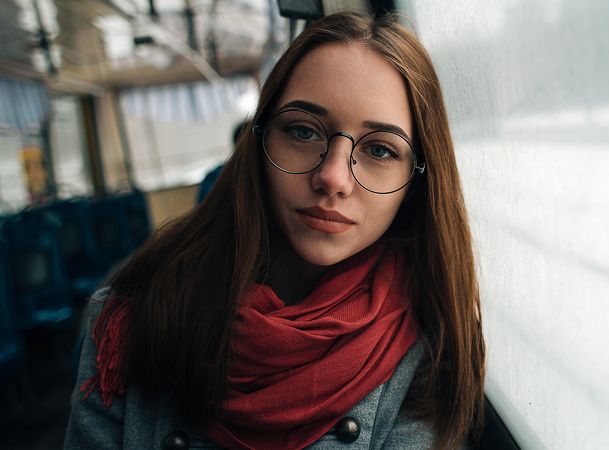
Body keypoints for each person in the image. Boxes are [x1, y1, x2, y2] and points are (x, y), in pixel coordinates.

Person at [65, 11, 485, 450]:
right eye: (303, 131)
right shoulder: (132, 315)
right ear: (259, 142)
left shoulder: (430, 346)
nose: (333, 178)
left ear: (417, 181)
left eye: (380, 149)